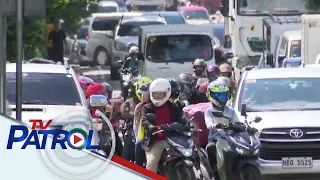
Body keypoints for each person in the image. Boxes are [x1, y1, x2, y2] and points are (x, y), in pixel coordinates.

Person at [141, 78, 184, 172]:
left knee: (189, 156)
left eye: (161, 94)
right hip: (156, 142)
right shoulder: (147, 107)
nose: (158, 96)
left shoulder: (173, 106)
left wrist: (188, 123)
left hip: (174, 140)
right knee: (151, 166)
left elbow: (180, 119)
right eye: (155, 94)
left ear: (167, 93)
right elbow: (144, 121)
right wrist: (151, 127)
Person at [121, 77, 152, 161]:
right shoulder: (130, 103)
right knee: (129, 143)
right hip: (133, 130)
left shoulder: (155, 104)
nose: (144, 95)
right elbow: (124, 114)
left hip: (150, 132)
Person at [203, 78, 231, 171]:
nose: (222, 98)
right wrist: (216, 125)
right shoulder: (209, 111)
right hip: (216, 138)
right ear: (211, 95)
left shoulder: (230, 110)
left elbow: (238, 121)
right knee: (210, 147)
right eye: (219, 95)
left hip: (231, 138)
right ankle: (214, 171)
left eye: (224, 95)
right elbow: (209, 124)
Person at [133, 82, 151, 167]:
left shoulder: (158, 105)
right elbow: (136, 125)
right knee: (138, 145)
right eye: (141, 94)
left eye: (145, 94)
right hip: (143, 135)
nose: (142, 96)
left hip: (157, 134)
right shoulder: (139, 107)